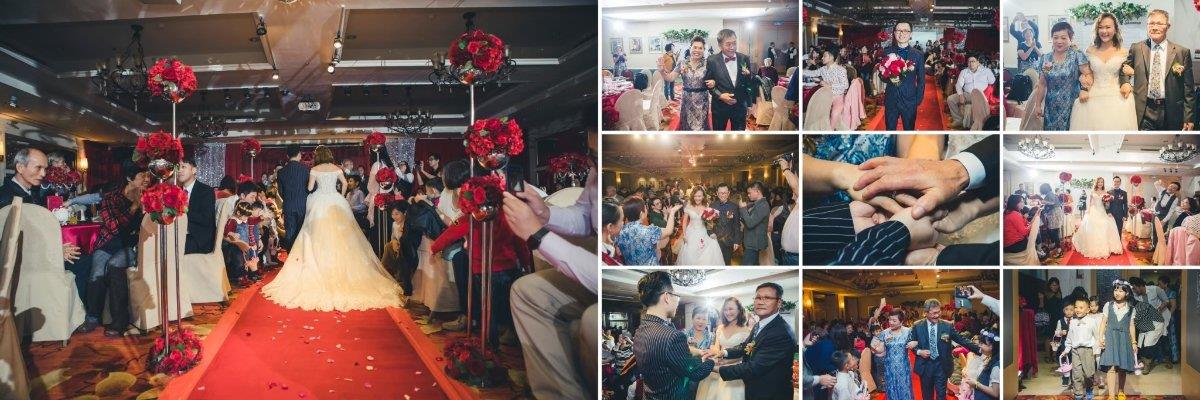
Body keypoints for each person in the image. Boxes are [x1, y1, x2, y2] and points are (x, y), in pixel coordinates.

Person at [261, 146, 401, 311]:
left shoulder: (314, 169)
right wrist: (340, 195)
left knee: (316, 234)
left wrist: (314, 189)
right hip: (335, 200)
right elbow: (344, 183)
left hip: (318, 201)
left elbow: (309, 188)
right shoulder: (336, 168)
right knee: (341, 236)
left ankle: (317, 265)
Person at [76, 165, 147, 337]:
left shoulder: (148, 197)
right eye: (142, 176)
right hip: (108, 243)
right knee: (97, 272)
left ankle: (119, 321)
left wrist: (144, 208)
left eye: (148, 176)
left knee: (114, 265)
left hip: (131, 246)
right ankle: (92, 317)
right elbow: (114, 227)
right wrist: (134, 207)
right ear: (130, 178)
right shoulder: (111, 198)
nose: (146, 179)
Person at [707, 282, 798, 399]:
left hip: (770, 394)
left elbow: (753, 368)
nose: (760, 302)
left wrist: (714, 368)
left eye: (767, 298)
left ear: (779, 302)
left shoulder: (781, 332)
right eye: (758, 298)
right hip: (754, 389)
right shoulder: (759, 325)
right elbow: (745, 346)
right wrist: (723, 353)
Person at [632, 271, 715, 399]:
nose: (677, 301)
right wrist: (711, 361)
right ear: (666, 297)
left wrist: (694, 351)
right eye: (676, 296)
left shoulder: (640, 330)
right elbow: (695, 373)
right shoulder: (672, 336)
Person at [1123, 10, 1195, 131]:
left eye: (1159, 23)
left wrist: (1188, 117)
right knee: (1145, 142)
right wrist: (1125, 82)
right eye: (1151, 23)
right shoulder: (1137, 48)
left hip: (1172, 110)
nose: (1155, 27)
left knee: (1171, 143)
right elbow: (1123, 70)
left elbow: (1188, 89)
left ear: (1168, 26)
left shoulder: (1182, 52)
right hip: (1145, 109)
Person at [1069, 13, 1137, 130]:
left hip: (1118, 99)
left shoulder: (1124, 52)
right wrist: (1084, 89)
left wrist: (1130, 80)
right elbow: (1087, 73)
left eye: (1108, 27)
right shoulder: (1090, 50)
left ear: (1115, 29)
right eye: (1100, 27)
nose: (1104, 31)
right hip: (1093, 97)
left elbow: (1126, 74)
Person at [909, 299, 981, 400]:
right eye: (934, 313)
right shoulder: (917, 326)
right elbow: (911, 343)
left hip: (942, 366)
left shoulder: (947, 326)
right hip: (925, 366)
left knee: (941, 395)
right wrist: (919, 352)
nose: (937, 315)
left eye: (938, 312)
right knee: (927, 396)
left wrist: (980, 350)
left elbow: (961, 339)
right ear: (926, 313)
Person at [1036, 22, 1089, 131]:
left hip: (1072, 106)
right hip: (1051, 108)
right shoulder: (1046, 58)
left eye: (1063, 38)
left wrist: (1085, 90)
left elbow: (1088, 74)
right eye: (1055, 37)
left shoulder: (1077, 55)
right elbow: (1042, 84)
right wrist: (1038, 105)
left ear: (1070, 39)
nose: (1059, 41)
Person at [696, 297, 751, 399]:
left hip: (733, 370)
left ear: (739, 310)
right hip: (717, 366)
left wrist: (726, 362)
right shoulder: (720, 327)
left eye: (731, 309)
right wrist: (713, 355)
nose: (728, 312)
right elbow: (717, 348)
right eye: (725, 309)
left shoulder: (746, 331)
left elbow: (743, 354)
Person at [703, 29, 758, 131]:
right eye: (728, 44)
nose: (732, 47)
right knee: (719, 135)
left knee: (739, 136)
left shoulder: (744, 58)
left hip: (740, 106)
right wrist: (720, 95)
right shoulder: (712, 60)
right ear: (720, 45)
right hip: (720, 107)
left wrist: (749, 104)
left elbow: (748, 83)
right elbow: (708, 84)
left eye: (734, 43)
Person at [659, 36, 711, 130]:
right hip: (687, 101)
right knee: (686, 126)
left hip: (702, 101)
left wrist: (713, 82)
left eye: (700, 48)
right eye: (695, 47)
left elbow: (715, 79)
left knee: (701, 127)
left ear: (704, 50)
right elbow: (670, 78)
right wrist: (662, 71)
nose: (697, 50)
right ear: (690, 47)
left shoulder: (708, 63)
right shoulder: (682, 63)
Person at [881, 21, 926, 130]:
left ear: (910, 34)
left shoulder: (918, 55)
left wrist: (918, 99)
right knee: (890, 130)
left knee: (909, 131)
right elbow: (881, 74)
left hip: (910, 99)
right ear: (894, 33)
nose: (902, 33)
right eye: (898, 30)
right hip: (891, 98)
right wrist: (889, 78)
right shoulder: (887, 52)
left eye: (905, 30)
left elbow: (921, 79)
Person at [1098, 280, 1138, 399]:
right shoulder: (1108, 305)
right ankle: (1111, 395)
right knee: (1111, 367)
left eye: (1121, 291)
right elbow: (1103, 322)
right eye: (1116, 290)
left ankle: (1121, 391)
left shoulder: (1131, 309)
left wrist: (1134, 342)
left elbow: (1131, 326)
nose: (1117, 293)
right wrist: (1100, 337)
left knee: (1122, 367)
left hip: (1124, 339)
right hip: (1110, 338)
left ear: (1127, 293)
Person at [615, 197, 681, 265]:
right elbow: (669, 231)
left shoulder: (619, 231)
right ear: (641, 213)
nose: (647, 210)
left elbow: (618, 252)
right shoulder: (648, 231)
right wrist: (672, 212)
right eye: (645, 208)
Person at [1074, 177, 1124, 259]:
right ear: (1096, 183)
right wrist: (1088, 210)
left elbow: (1107, 204)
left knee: (1105, 224)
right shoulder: (1092, 191)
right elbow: (1090, 203)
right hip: (1094, 210)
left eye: (1102, 182)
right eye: (1099, 182)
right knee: (1092, 226)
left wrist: (1108, 212)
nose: (1100, 183)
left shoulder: (1106, 192)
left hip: (1102, 210)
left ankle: (1106, 246)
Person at [1061, 297, 1100, 400]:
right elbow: (1070, 337)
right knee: (1076, 373)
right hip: (1075, 350)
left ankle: (1089, 389)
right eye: (1076, 307)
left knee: (1088, 373)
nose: (1077, 310)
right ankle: (1078, 393)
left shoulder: (1092, 321)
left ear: (1087, 310)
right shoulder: (1073, 322)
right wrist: (1066, 349)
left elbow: (1096, 337)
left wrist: (1096, 351)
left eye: (1081, 307)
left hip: (1087, 350)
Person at [177, 157, 217, 256]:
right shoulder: (176, 191)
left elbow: (206, 219)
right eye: (178, 167)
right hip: (178, 234)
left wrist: (184, 210)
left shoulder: (206, 191)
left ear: (194, 170)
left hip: (198, 238)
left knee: (173, 247)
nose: (179, 170)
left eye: (183, 167)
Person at [676, 186, 725, 266]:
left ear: (703, 196)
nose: (697, 198)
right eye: (695, 196)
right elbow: (684, 222)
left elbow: (709, 222)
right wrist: (684, 235)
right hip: (691, 233)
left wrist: (711, 229)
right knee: (690, 254)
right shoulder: (688, 206)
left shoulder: (706, 206)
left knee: (708, 253)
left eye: (699, 196)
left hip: (703, 232)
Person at [871, 309, 913, 400]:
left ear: (901, 321)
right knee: (891, 388)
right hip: (889, 366)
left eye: (894, 320)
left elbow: (915, 345)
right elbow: (881, 349)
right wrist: (874, 349)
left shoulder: (908, 331)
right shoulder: (884, 333)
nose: (891, 322)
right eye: (890, 319)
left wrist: (914, 344)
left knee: (904, 388)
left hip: (903, 366)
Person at [947, 55, 996, 129]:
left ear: (978, 62)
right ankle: (958, 120)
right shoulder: (964, 72)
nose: (971, 63)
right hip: (968, 95)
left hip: (981, 96)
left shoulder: (986, 71)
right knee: (950, 99)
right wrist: (961, 95)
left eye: (973, 61)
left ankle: (973, 123)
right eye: (969, 62)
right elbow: (958, 85)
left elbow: (992, 82)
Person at [277, 145, 310, 250]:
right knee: (302, 233)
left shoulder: (281, 172)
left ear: (287, 156)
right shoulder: (305, 170)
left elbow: (280, 192)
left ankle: (291, 256)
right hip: (302, 206)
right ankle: (301, 256)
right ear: (299, 154)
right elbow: (310, 188)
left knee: (290, 234)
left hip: (288, 206)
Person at [711, 183, 742, 264]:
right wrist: (710, 233)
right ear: (717, 193)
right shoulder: (712, 206)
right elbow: (708, 223)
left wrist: (737, 240)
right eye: (720, 193)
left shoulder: (734, 207)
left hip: (729, 240)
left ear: (728, 193)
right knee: (715, 263)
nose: (722, 195)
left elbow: (737, 225)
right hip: (715, 240)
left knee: (727, 263)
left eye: (724, 193)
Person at [739, 181, 769, 265]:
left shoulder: (763, 205)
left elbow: (750, 223)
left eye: (750, 193)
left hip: (754, 244)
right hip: (751, 243)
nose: (748, 195)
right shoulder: (757, 204)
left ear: (757, 191)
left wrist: (743, 208)